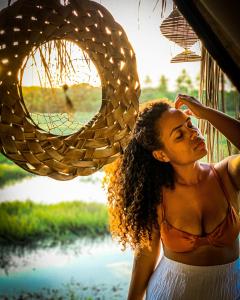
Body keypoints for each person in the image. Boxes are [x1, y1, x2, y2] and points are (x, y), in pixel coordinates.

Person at [105, 94, 240, 300]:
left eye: (189, 124)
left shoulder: (227, 175)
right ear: (162, 155)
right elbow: (146, 257)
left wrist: (206, 113)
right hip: (171, 292)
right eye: (179, 135)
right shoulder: (157, 196)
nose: (193, 133)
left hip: (230, 291)